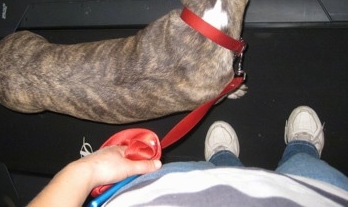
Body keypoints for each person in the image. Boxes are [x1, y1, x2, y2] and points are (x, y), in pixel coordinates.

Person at [28, 106, 348, 206]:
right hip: (317, 199)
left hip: (169, 192)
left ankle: (223, 160)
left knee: (210, 172)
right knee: (305, 168)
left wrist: (84, 171)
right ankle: (302, 147)